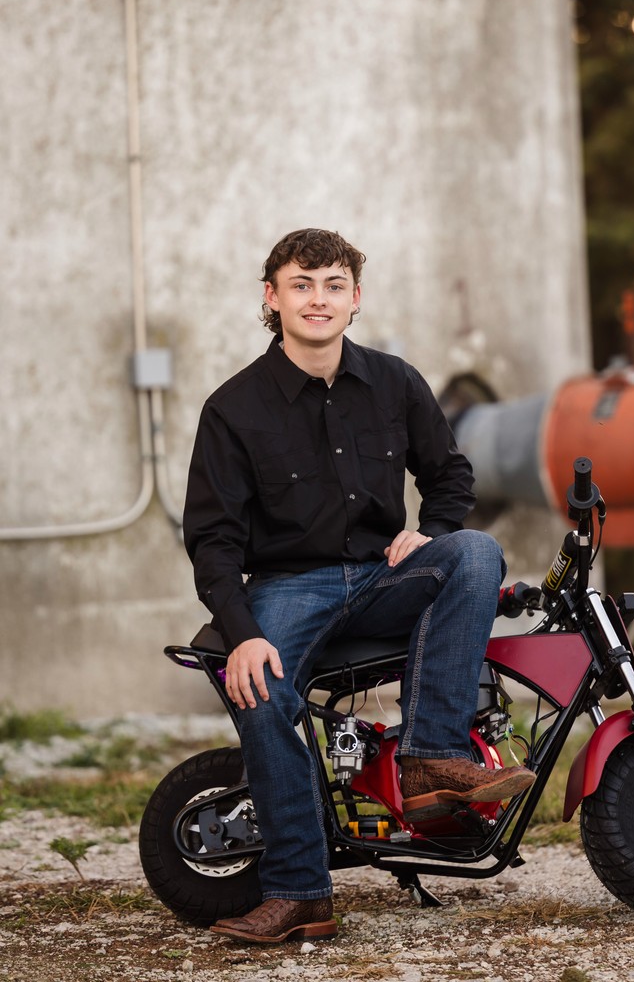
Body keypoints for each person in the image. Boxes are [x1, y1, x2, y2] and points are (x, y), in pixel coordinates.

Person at [183, 228, 535, 946]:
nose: (319, 299)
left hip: (384, 575)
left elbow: (450, 476)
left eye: (333, 285)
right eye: (302, 285)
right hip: (288, 587)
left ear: (355, 298)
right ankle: (299, 896)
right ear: (271, 297)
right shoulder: (233, 408)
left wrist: (431, 529)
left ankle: (430, 762)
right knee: (260, 689)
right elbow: (213, 540)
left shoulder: (395, 381)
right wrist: (244, 632)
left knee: (473, 552)